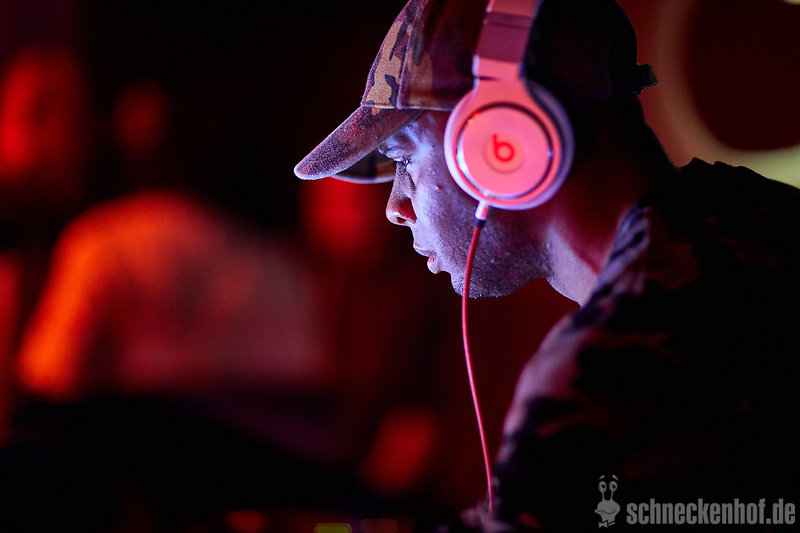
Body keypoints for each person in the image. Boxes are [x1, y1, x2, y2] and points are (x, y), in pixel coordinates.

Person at [294, 0, 800, 531]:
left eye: (403, 159)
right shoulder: (766, 221)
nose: (395, 208)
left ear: (504, 144)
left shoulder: (610, 377)